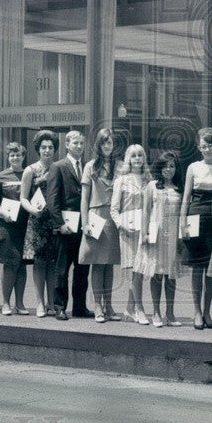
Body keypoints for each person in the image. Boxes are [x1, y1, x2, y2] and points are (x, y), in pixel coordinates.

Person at [179, 127, 212, 330]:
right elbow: (187, 197)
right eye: (204, 145)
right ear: (199, 147)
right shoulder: (193, 167)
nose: (207, 149)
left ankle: (208, 312)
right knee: (197, 268)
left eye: (211, 144)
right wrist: (183, 222)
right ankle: (197, 312)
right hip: (195, 216)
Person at [45, 130, 92, 319]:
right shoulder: (58, 166)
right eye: (75, 143)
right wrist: (59, 224)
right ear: (67, 145)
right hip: (65, 226)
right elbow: (52, 199)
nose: (79, 147)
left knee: (82, 268)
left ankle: (80, 307)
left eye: (81, 143)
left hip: (83, 225)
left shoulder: (87, 166)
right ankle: (59, 307)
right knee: (61, 269)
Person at [135, 151, 183, 328]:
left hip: (174, 236)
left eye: (172, 166)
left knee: (171, 275)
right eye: (165, 166)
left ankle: (170, 313)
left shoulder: (180, 187)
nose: (168, 169)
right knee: (157, 273)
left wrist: (183, 236)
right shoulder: (152, 186)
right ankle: (156, 311)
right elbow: (146, 211)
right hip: (156, 235)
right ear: (159, 168)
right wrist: (145, 233)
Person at [80, 127, 122, 322]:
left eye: (110, 142)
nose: (107, 145)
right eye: (104, 142)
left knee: (109, 263)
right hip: (96, 215)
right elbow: (84, 198)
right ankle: (97, 306)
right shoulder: (90, 166)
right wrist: (85, 222)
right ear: (99, 144)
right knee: (97, 263)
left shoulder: (121, 166)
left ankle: (109, 305)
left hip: (113, 217)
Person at [112, 143, 151, 325]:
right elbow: (114, 209)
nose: (137, 159)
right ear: (128, 158)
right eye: (134, 155)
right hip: (128, 230)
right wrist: (121, 225)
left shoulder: (148, 180)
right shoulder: (122, 180)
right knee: (134, 271)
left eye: (140, 155)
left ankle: (129, 308)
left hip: (144, 230)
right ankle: (139, 309)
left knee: (140, 271)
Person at [0, 142, 29, 316]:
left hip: (25, 225)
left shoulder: (29, 174)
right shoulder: (1, 177)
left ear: (23, 156)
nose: (15, 158)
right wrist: (1, 212)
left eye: (18, 155)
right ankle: (5, 303)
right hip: (7, 225)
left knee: (22, 266)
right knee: (10, 264)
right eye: (12, 155)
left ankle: (19, 303)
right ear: (8, 157)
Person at [25, 130, 60, 318]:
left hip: (54, 221)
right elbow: (23, 198)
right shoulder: (30, 170)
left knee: (53, 263)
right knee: (39, 263)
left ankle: (52, 303)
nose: (47, 150)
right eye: (44, 147)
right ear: (38, 149)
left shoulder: (58, 168)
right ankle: (39, 303)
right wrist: (32, 210)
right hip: (38, 220)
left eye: (51, 147)